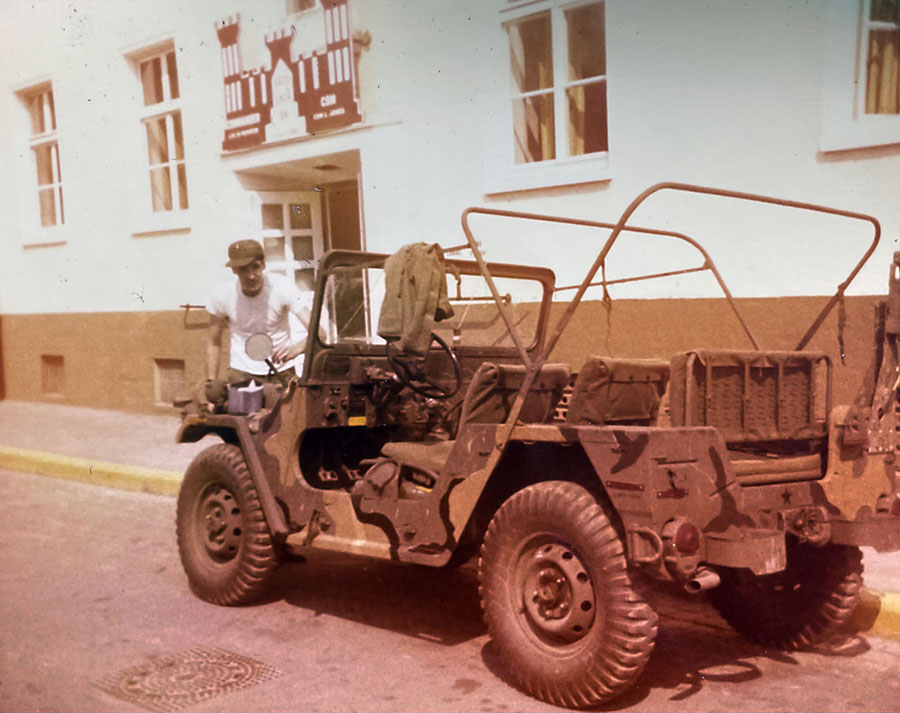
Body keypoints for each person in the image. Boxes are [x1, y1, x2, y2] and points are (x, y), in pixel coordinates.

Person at [206, 239, 314, 386]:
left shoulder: (282, 287)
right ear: (234, 270)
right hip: (241, 374)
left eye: (255, 267)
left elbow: (319, 333)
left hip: (281, 373)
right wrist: (211, 382)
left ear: (263, 265)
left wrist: (298, 347)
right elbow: (213, 341)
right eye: (244, 269)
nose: (251, 276)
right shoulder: (223, 295)